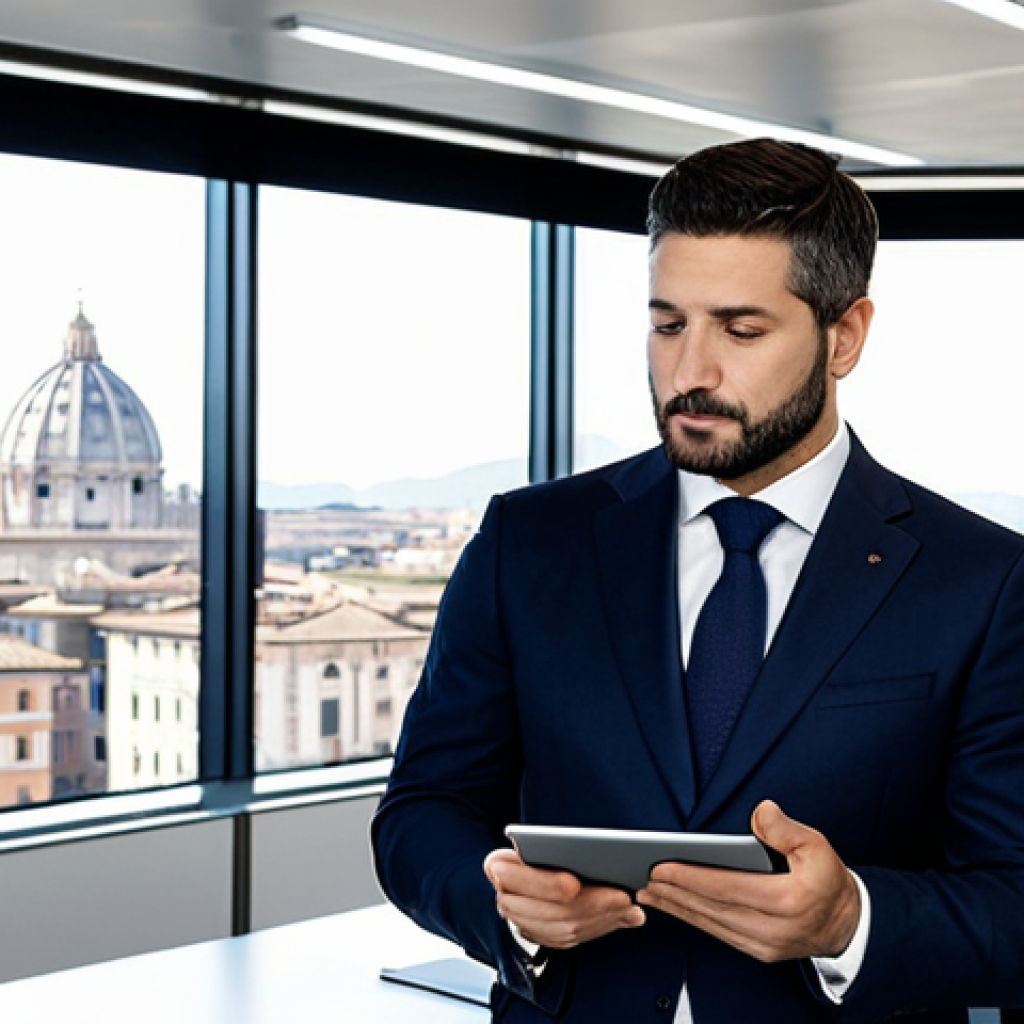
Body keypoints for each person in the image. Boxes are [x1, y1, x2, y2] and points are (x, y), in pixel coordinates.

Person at [371, 138, 1024, 1023]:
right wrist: (499, 900)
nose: (690, 374)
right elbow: (423, 811)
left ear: (845, 336)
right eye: (668, 324)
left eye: (741, 330)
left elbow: (1011, 905)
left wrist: (849, 920)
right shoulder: (529, 544)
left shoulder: (982, 580)